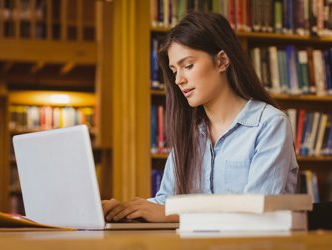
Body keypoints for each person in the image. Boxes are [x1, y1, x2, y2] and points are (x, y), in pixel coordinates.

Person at [102, 12, 298, 223]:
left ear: (222, 61)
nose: (179, 80)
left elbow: (257, 209)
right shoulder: (190, 134)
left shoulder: (270, 125)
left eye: (187, 66)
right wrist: (123, 211)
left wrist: (173, 213)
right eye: (174, 70)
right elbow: (165, 203)